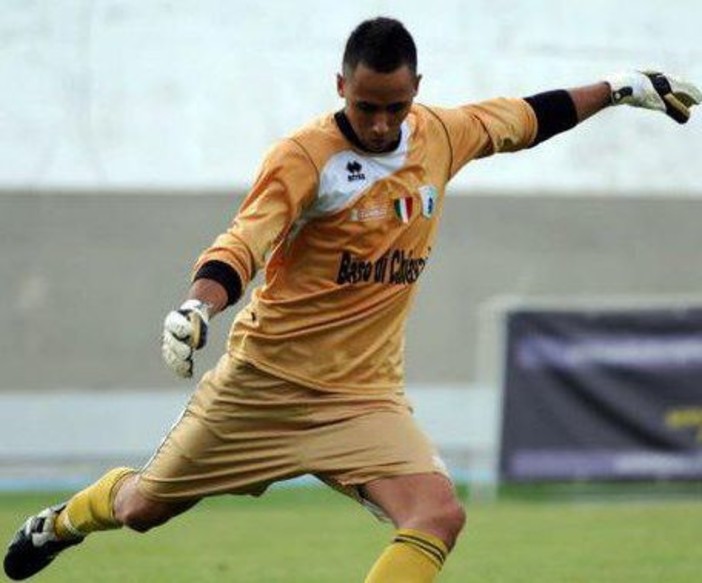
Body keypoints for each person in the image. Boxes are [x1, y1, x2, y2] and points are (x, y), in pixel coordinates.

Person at [4, 16, 700, 583]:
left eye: (395, 106)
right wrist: (198, 307)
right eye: (365, 106)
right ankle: (63, 521)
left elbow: (529, 117)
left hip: (363, 396)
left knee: (438, 515)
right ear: (340, 85)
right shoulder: (305, 157)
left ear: (416, 90)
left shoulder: (441, 134)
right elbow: (244, 240)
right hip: (262, 389)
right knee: (141, 507)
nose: (379, 122)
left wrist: (618, 88)